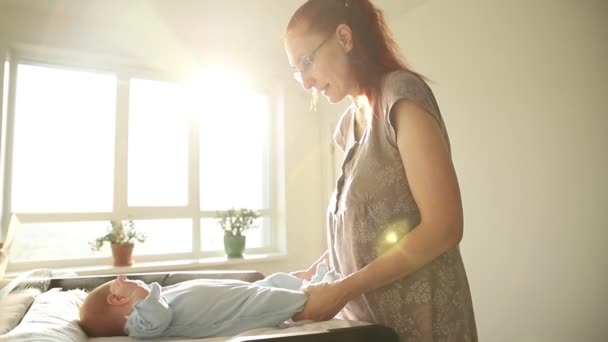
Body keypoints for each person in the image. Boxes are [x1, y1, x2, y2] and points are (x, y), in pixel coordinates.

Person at [283, 0, 478, 341]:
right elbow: (366, 231)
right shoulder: (347, 127)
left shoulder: (400, 95)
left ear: (344, 38)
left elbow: (444, 226)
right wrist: (319, 271)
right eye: (297, 70)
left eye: (306, 61)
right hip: (368, 329)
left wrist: (344, 288)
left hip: (423, 325)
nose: (305, 81)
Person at [78, 263, 338, 338]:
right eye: (121, 286)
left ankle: (309, 278)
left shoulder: (152, 301)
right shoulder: (138, 324)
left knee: (266, 285)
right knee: (272, 299)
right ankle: (316, 291)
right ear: (116, 298)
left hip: (236, 294)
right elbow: (159, 315)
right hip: (238, 311)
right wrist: (135, 291)